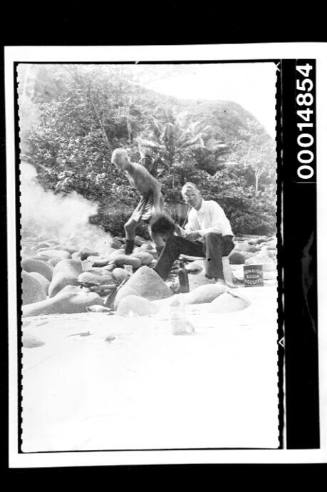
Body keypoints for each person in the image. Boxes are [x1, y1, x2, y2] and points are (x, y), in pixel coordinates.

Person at [153, 182, 235, 285]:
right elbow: (188, 234)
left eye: (193, 195)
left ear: (199, 194)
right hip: (206, 247)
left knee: (210, 235)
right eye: (187, 196)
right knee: (173, 241)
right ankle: (158, 277)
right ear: (185, 200)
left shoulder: (212, 205)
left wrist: (198, 233)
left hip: (224, 243)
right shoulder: (192, 213)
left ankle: (219, 279)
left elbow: (219, 229)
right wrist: (177, 230)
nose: (191, 198)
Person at [111, 148, 163, 255]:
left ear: (126, 159)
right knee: (128, 227)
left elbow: (157, 185)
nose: (118, 167)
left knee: (153, 231)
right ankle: (128, 255)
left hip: (154, 197)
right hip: (145, 198)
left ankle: (167, 261)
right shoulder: (127, 171)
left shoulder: (138, 169)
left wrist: (156, 207)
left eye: (119, 163)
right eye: (116, 165)